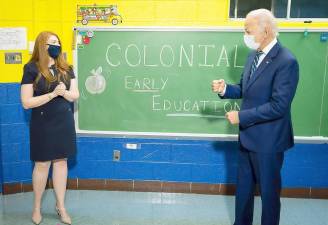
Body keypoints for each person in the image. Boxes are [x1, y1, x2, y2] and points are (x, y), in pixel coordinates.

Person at [212, 9, 299, 225]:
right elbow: (244, 88)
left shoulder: (287, 61)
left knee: (269, 197)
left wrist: (241, 116)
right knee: (243, 192)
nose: (246, 35)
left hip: (269, 141)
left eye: (248, 30)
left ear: (266, 30)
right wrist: (225, 89)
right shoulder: (253, 55)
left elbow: (279, 106)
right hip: (247, 139)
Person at [21, 31, 79, 225]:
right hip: (43, 123)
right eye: (51, 42)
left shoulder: (67, 68)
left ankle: (60, 206)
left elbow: (75, 94)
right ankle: (37, 207)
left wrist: (65, 94)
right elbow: (26, 102)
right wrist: (52, 95)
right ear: (41, 46)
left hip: (64, 121)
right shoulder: (31, 68)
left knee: (61, 163)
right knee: (42, 164)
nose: (55, 45)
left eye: (57, 42)